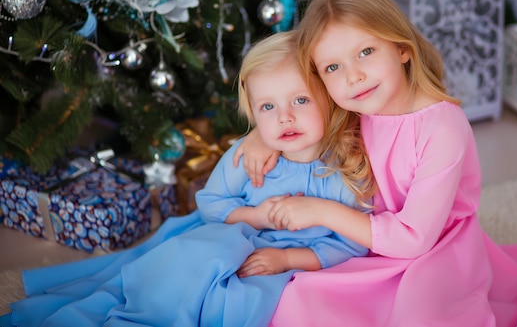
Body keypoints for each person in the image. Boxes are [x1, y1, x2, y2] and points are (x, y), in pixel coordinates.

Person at [233, 0, 517, 327]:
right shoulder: (355, 104)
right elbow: (288, 105)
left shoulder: (442, 128)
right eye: (332, 67)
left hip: (435, 250)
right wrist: (260, 136)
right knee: (298, 300)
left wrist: (322, 212)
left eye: (366, 52)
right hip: (368, 240)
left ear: (402, 48)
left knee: (423, 319)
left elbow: (415, 239)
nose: (353, 76)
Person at [0, 31, 368, 327]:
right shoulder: (248, 155)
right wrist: (255, 217)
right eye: (267, 107)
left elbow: (351, 245)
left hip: (288, 259)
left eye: (300, 101)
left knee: (242, 299)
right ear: (253, 114)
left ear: (328, 99)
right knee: (195, 258)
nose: (284, 117)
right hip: (232, 233)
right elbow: (212, 205)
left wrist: (287, 258)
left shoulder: (342, 171)